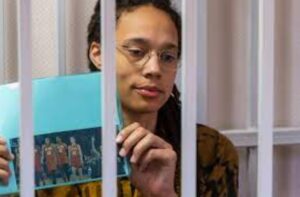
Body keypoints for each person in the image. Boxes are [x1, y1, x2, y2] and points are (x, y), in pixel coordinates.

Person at [0, 0, 238, 196]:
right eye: (136, 52)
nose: (154, 68)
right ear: (98, 54)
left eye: (168, 56)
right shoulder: (37, 147)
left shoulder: (209, 151)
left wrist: (163, 194)